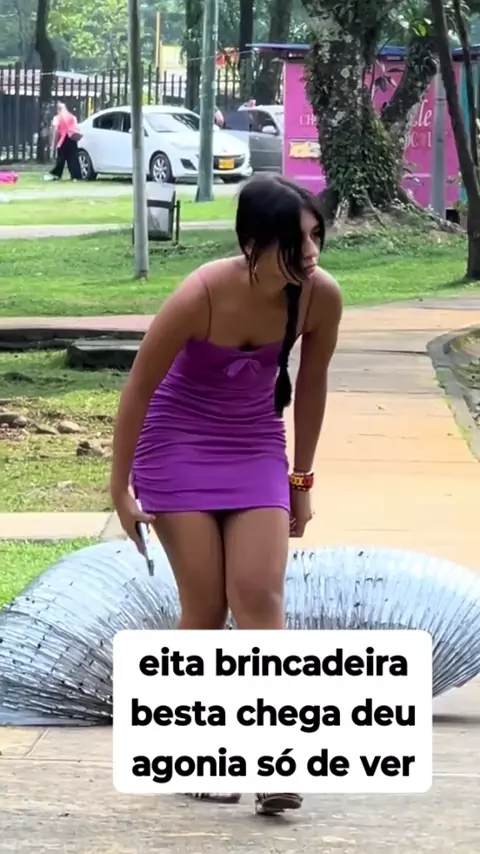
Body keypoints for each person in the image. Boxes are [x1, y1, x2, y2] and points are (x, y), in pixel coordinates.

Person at [110, 174, 343, 816]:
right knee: (208, 607)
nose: (311, 254)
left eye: (316, 237)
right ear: (251, 244)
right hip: (175, 444)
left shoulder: (320, 296)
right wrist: (120, 489)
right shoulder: (202, 293)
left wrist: (301, 481)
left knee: (258, 595)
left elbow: (312, 387)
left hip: (254, 445)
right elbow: (138, 389)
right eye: (295, 242)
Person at [44, 102, 82, 182]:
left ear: (58, 110)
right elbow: (76, 127)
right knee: (73, 158)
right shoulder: (72, 117)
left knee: (61, 158)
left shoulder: (57, 118)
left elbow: (55, 131)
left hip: (63, 139)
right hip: (72, 139)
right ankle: (76, 176)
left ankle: (57, 174)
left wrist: (54, 143)